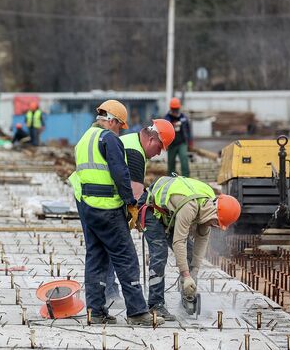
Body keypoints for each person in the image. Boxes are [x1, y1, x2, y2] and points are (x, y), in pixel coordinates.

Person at [68, 99, 164, 326]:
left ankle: (96, 310)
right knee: (126, 258)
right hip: (108, 208)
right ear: (111, 120)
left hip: (87, 206)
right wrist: (130, 203)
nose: (119, 131)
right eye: (119, 125)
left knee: (96, 258)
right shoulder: (108, 138)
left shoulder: (84, 139)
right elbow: (120, 174)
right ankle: (137, 312)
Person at [139, 176, 241, 315]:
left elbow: (201, 241)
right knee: (159, 253)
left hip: (170, 213)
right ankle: (155, 304)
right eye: (216, 223)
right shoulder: (191, 207)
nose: (215, 226)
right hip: (151, 207)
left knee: (190, 252)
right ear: (214, 212)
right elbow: (178, 242)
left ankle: (187, 296)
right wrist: (186, 276)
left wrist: (194, 271)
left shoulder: (207, 208)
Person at [103, 119, 176, 308]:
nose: (159, 153)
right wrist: (144, 214)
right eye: (160, 148)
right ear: (152, 141)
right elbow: (135, 193)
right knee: (119, 250)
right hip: (106, 201)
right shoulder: (135, 152)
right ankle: (110, 293)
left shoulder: (130, 141)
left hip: (96, 198)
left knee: (106, 248)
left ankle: (107, 292)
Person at [164, 97, 192, 177]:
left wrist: (190, 141)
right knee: (171, 164)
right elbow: (164, 130)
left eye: (176, 109)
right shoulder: (167, 118)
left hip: (181, 143)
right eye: (174, 109)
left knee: (184, 161)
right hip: (172, 144)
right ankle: (171, 180)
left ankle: (186, 178)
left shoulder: (183, 118)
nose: (175, 111)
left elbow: (188, 129)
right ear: (171, 109)